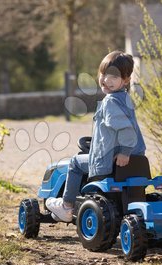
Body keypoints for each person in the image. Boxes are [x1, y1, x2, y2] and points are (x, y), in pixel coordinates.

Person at [46, 50, 146, 222]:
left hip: (109, 162)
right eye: (103, 74)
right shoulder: (125, 99)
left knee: (75, 163)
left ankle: (67, 206)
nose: (106, 80)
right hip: (135, 160)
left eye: (113, 77)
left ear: (126, 80)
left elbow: (127, 130)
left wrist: (125, 151)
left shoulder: (110, 102)